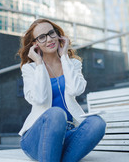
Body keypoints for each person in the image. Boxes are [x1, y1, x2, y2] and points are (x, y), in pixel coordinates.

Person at [18, 18, 106, 162]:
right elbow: (39, 98)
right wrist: (39, 64)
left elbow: (76, 89)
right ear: (35, 44)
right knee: (56, 114)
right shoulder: (30, 69)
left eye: (51, 33)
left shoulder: (73, 64)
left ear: (58, 35)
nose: (49, 39)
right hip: (37, 137)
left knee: (97, 123)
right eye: (42, 37)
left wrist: (64, 56)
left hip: (68, 134)